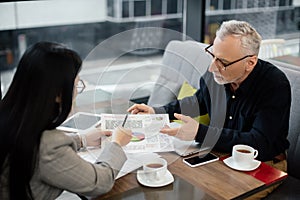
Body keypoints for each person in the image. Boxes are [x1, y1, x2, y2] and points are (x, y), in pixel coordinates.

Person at [128, 20, 291, 198]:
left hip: (262, 162)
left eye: (222, 61)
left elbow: (258, 142)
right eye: (212, 54)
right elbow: (199, 101)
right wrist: (156, 112)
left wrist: (199, 132)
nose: (213, 66)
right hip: (219, 153)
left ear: (250, 63)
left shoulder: (274, 85)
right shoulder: (216, 73)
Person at [0, 42, 132, 200]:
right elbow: (100, 182)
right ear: (58, 94)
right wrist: (116, 143)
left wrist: (82, 139)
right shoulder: (49, 147)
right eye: (76, 85)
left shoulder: (9, 118)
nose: (77, 92)